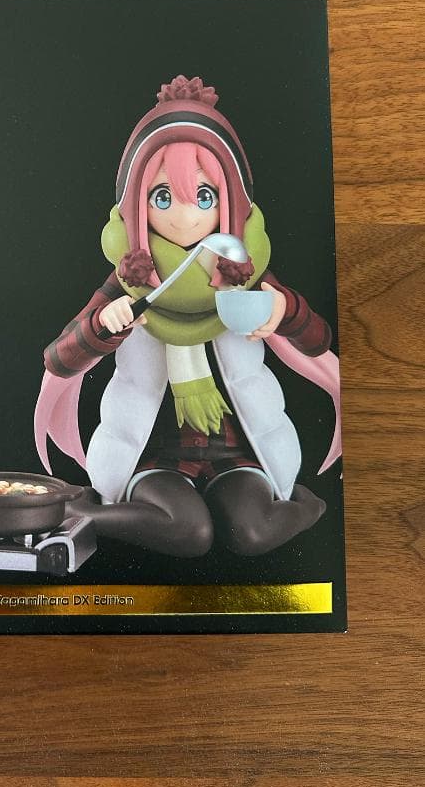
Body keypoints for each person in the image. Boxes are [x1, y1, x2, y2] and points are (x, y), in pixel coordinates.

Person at [34, 75, 341, 556]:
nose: (184, 217)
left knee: (253, 531)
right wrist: (102, 326)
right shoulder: (132, 279)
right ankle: (82, 511)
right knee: (190, 533)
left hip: (237, 445)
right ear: (135, 204)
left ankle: (307, 505)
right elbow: (60, 357)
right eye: (162, 197)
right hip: (155, 452)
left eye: (204, 197)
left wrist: (285, 310)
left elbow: (318, 338)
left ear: (231, 200)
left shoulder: (241, 271)